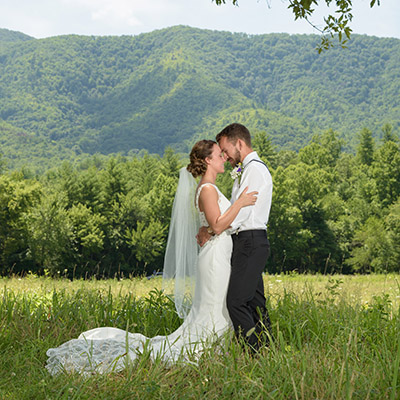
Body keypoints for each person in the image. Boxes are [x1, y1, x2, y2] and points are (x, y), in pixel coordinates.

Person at [45, 139, 257, 375]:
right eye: (219, 155)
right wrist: (240, 203)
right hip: (215, 258)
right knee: (213, 306)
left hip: (220, 254)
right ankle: (205, 351)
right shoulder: (207, 189)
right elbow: (218, 226)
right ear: (207, 160)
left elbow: (213, 226)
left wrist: (211, 226)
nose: (224, 158)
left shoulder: (211, 188)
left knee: (219, 305)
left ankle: (217, 351)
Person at [198, 123, 273, 352]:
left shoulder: (255, 170)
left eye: (226, 150)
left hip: (250, 240)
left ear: (238, 143)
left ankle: (254, 351)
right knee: (255, 301)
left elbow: (242, 213)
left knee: (236, 302)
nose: (226, 156)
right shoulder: (245, 170)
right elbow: (236, 209)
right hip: (244, 241)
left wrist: (211, 230)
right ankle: (268, 349)